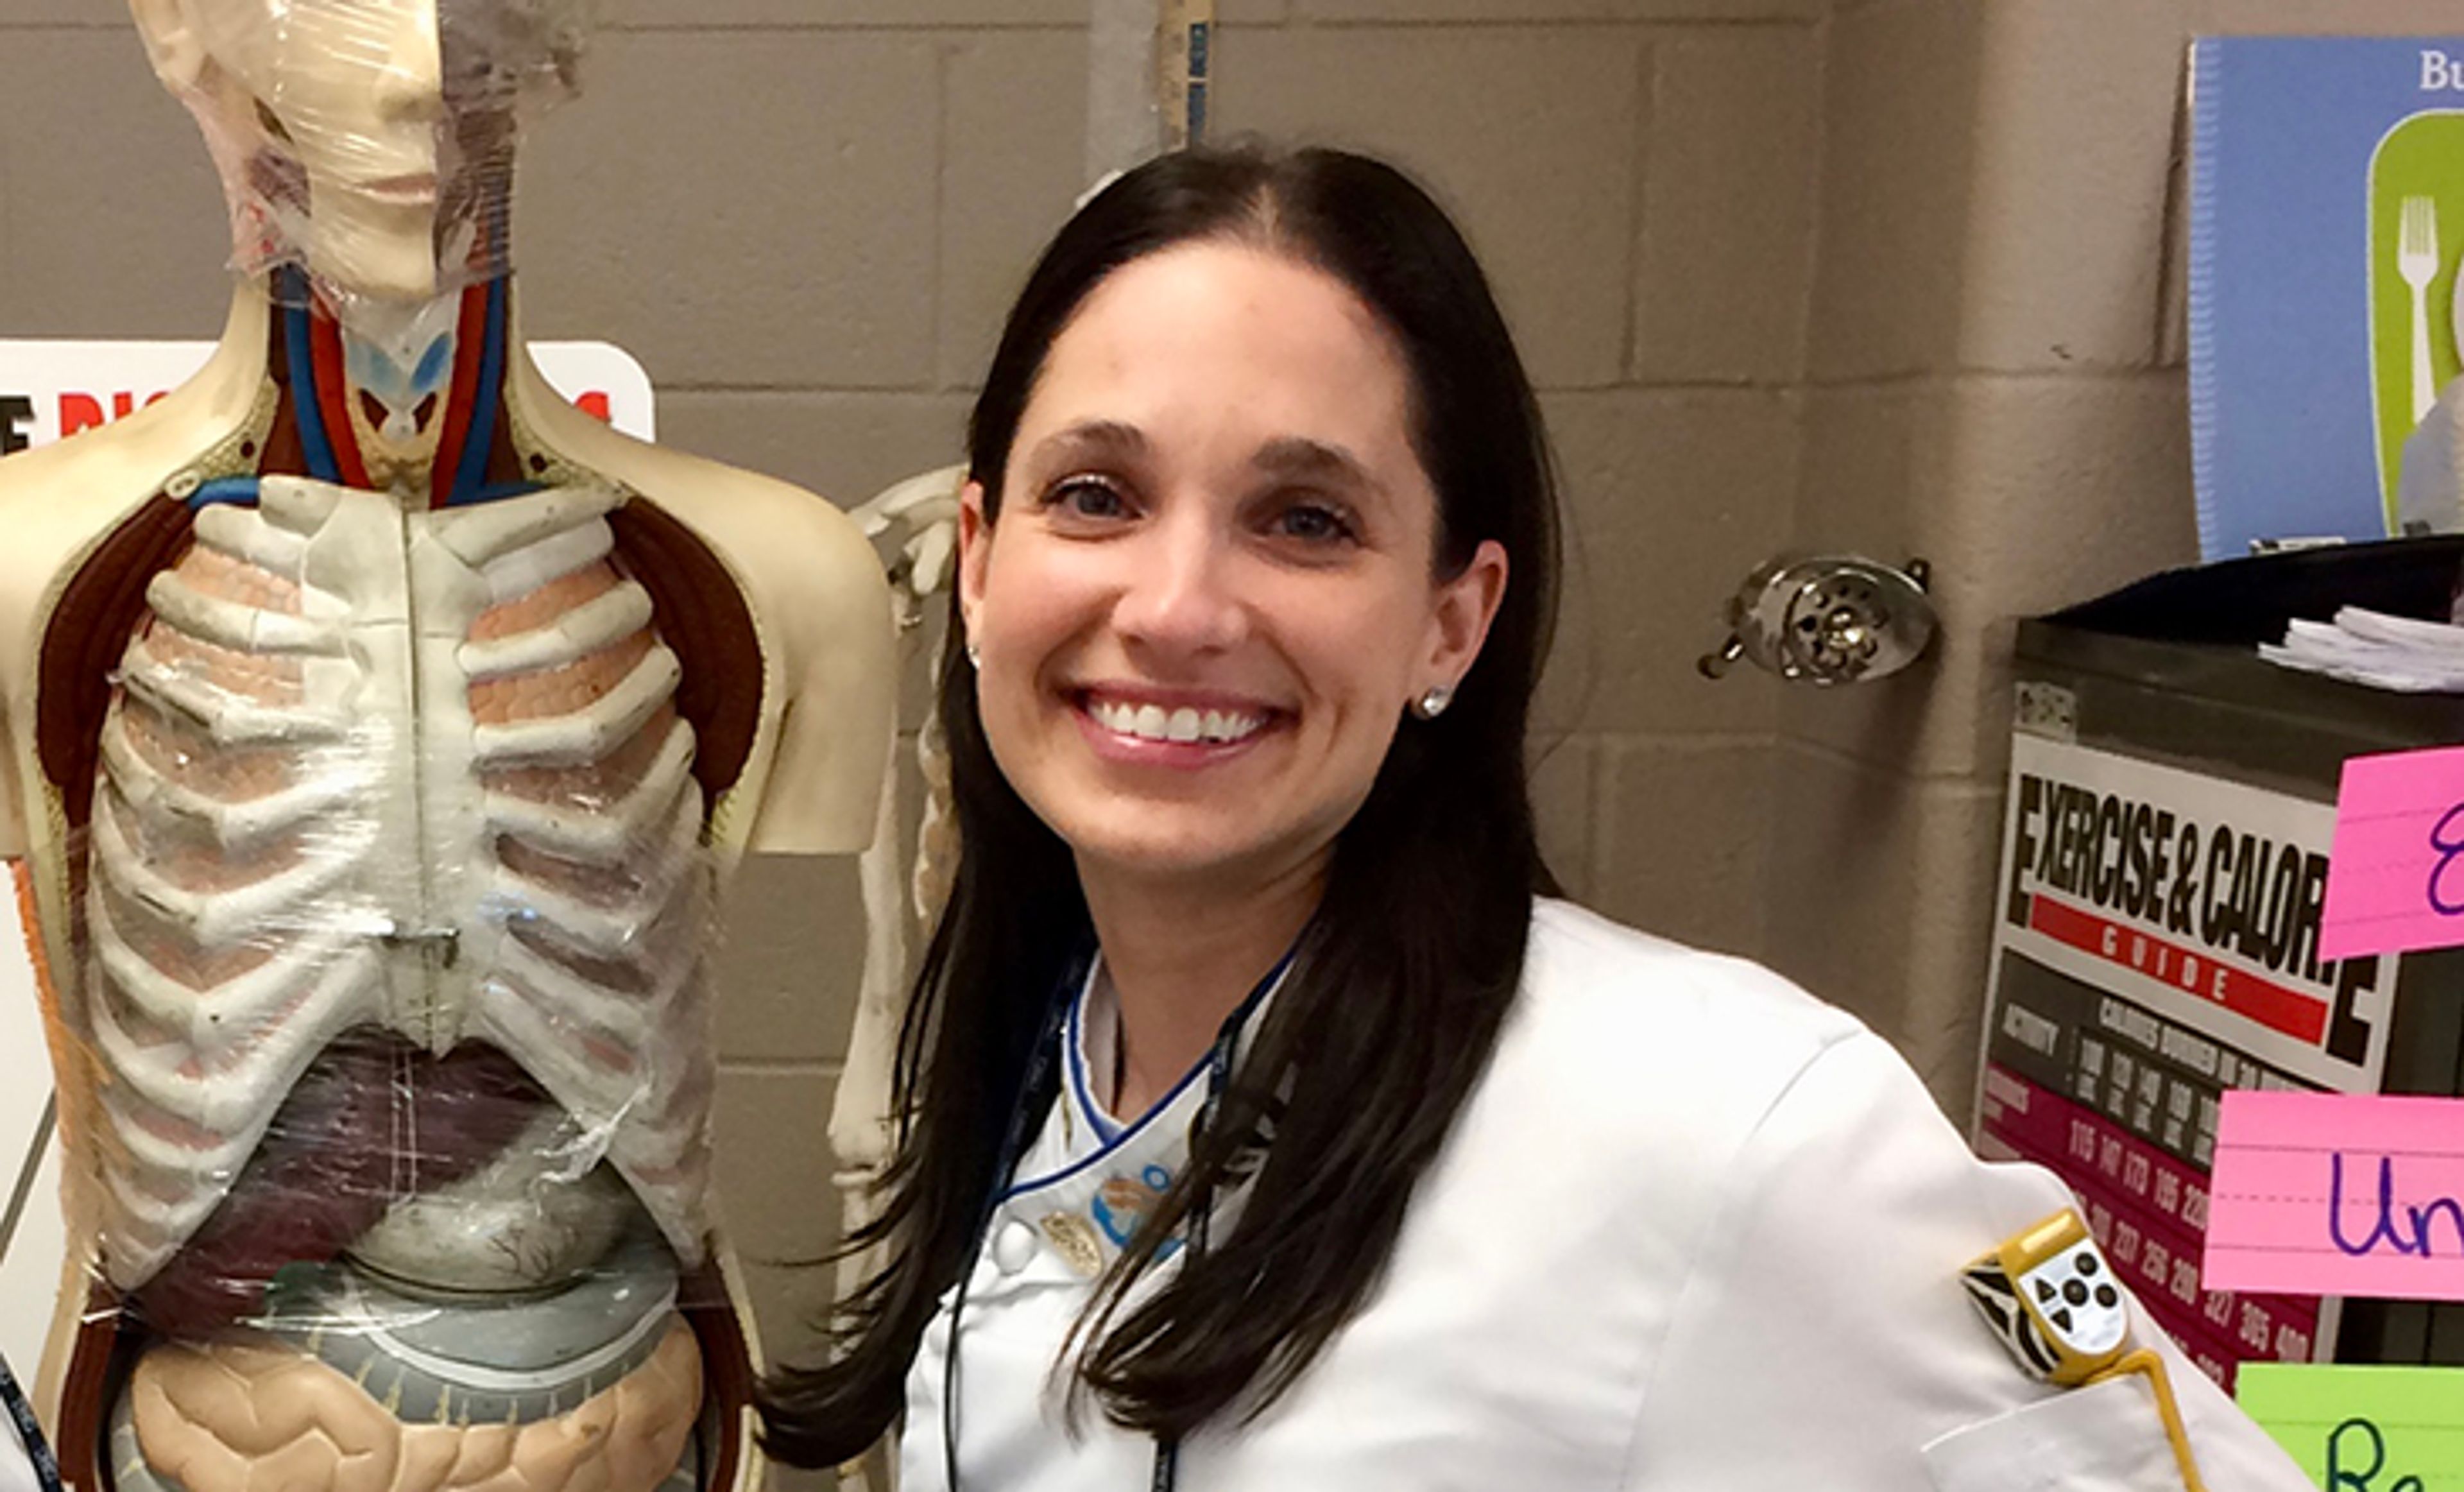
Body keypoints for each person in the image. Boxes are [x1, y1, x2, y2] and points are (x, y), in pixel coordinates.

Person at [757, 145, 2311, 1491]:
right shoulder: (1044, 1056)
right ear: (980, 561)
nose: (1175, 607)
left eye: (1305, 519)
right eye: (1097, 495)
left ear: (1452, 620)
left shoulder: (1732, 1124)